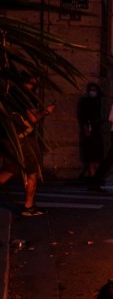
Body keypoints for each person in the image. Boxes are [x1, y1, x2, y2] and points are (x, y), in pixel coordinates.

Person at [0, 73, 56, 216]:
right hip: (24, 139)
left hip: (8, 137)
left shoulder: (10, 92)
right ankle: (29, 206)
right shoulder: (26, 96)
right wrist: (46, 111)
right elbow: (33, 119)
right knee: (32, 171)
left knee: (9, 169)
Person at [77, 82, 104, 180]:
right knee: (90, 155)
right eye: (91, 90)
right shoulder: (85, 102)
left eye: (95, 90)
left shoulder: (97, 101)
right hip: (89, 129)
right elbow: (83, 117)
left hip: (96, 130)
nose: (93, 92)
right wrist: (86, 129)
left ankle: (96, 175)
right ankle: (92, 176)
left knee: (97, 155)